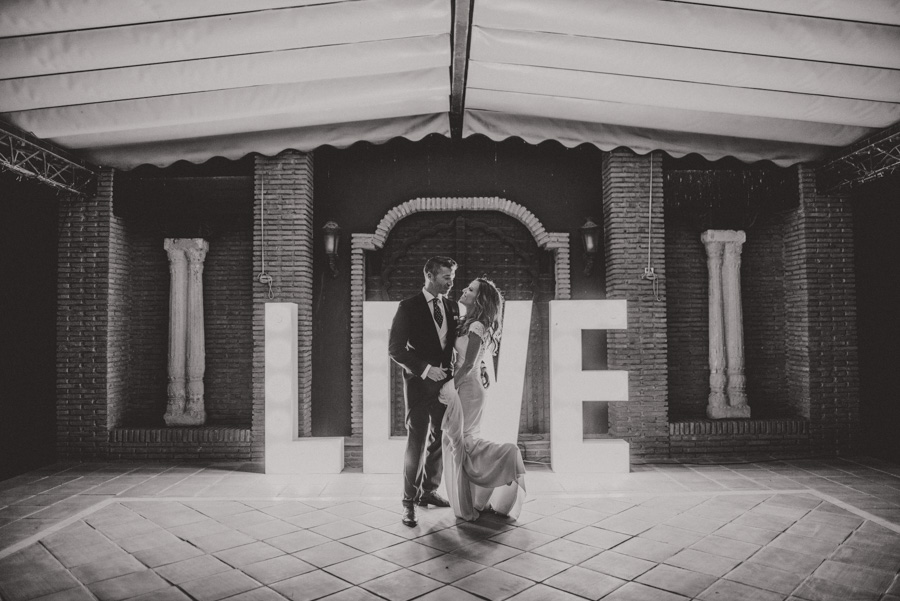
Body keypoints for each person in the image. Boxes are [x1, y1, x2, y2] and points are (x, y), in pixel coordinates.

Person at [439, 277, 526, 521]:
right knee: (460, 442)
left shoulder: (477, 325)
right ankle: (474, 499)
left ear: (480, 298)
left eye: (471, 289)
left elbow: (468, 363)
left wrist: (449, 388)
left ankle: (508, 455)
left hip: (468, 389)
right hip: (465, 384)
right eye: (467, 287)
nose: (465, 290)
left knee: (464, 442)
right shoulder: (469, 322)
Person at [389, 256, 459, 527]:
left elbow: (453, 345)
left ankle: (428, 491)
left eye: (452, 277)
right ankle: (408, 502)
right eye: (446, 277)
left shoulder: (452, 307)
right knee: (416, 442)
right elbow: (396, 349)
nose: (450, 283)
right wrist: (426, 369)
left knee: (439, 439)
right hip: (419, 384)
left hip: (445, 385)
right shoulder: (408, 307)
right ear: (429, 275)